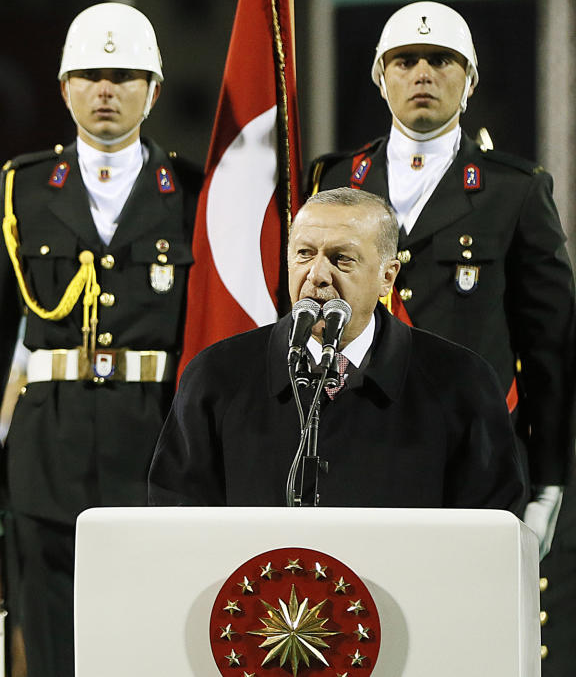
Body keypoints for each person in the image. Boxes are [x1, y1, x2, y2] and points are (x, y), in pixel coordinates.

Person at [307, 2, 576, 668]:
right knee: (362, 635)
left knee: (462, 642)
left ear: (471, 79)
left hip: (476, 459)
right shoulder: (334, 182)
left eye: (441, 61)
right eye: (405, 61)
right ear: (379, 76)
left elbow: (552, 351)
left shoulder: (516, 191)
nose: (423, 73)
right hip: (353, 448)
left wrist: (549, 483)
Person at [0, 2, 202, 677]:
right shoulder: (25, 187)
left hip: (158, 453)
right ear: (63, 88)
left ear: (154, 89)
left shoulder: (192, 189)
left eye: (124, 75)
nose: (106, 90)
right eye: (90, 74)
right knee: (57, 655)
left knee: (152, 652)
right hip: (48, 453)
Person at [149, 188, 525, 510]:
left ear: (387, 277)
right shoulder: (218, 376)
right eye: (304, 254)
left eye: (341, 258)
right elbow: (176, 514)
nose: (317, 275)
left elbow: (491, 528)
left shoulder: (461, 382)